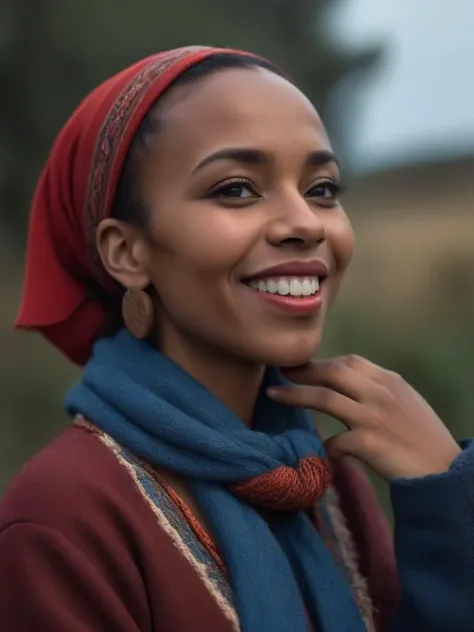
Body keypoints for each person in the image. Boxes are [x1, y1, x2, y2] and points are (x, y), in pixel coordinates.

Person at [0, 45, 471, 632]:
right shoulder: (65, 513)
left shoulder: (327, 482)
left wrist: (447, 496)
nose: (304, 222)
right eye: (237, 190)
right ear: (127, 252)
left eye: (322, 188)